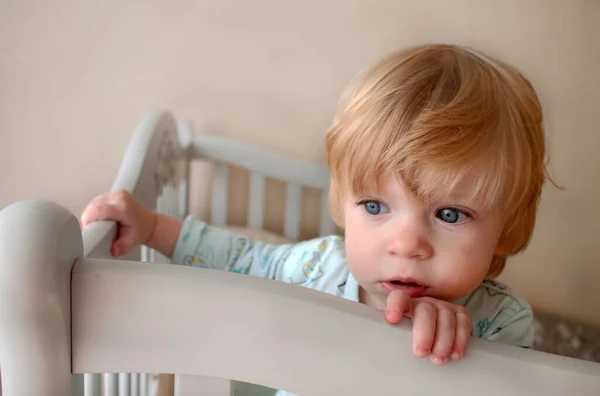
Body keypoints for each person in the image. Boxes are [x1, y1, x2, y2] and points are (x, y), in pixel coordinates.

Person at [81, 44, 553, 371]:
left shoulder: (501, 326)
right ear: (342, 206)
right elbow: (239, 258)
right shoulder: (316, 268)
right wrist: (151, 224)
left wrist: (465, 362)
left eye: (449, 214)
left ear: (507, 229)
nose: (407, 244)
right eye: (374, 205)